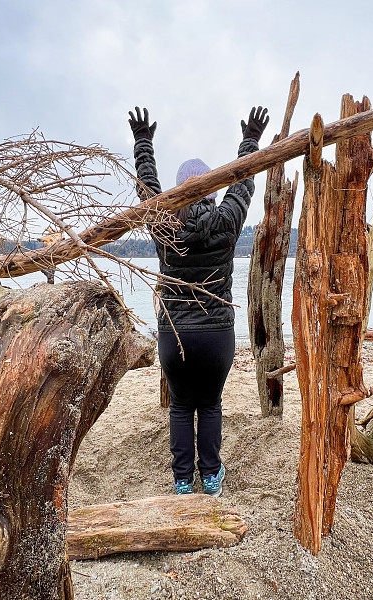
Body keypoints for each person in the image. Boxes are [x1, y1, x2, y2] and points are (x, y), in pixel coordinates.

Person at [128, 105, 269, 496]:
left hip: (175, 336)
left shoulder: (164, 223)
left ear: (178, 191)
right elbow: (242, 183)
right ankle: (210, 476)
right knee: (209, 404)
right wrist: (251, 140)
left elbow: (147, 189)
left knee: (180, 406)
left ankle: (182, 481)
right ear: (210, 186)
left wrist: (143, 144)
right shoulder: (225, 222)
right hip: (216, 335)